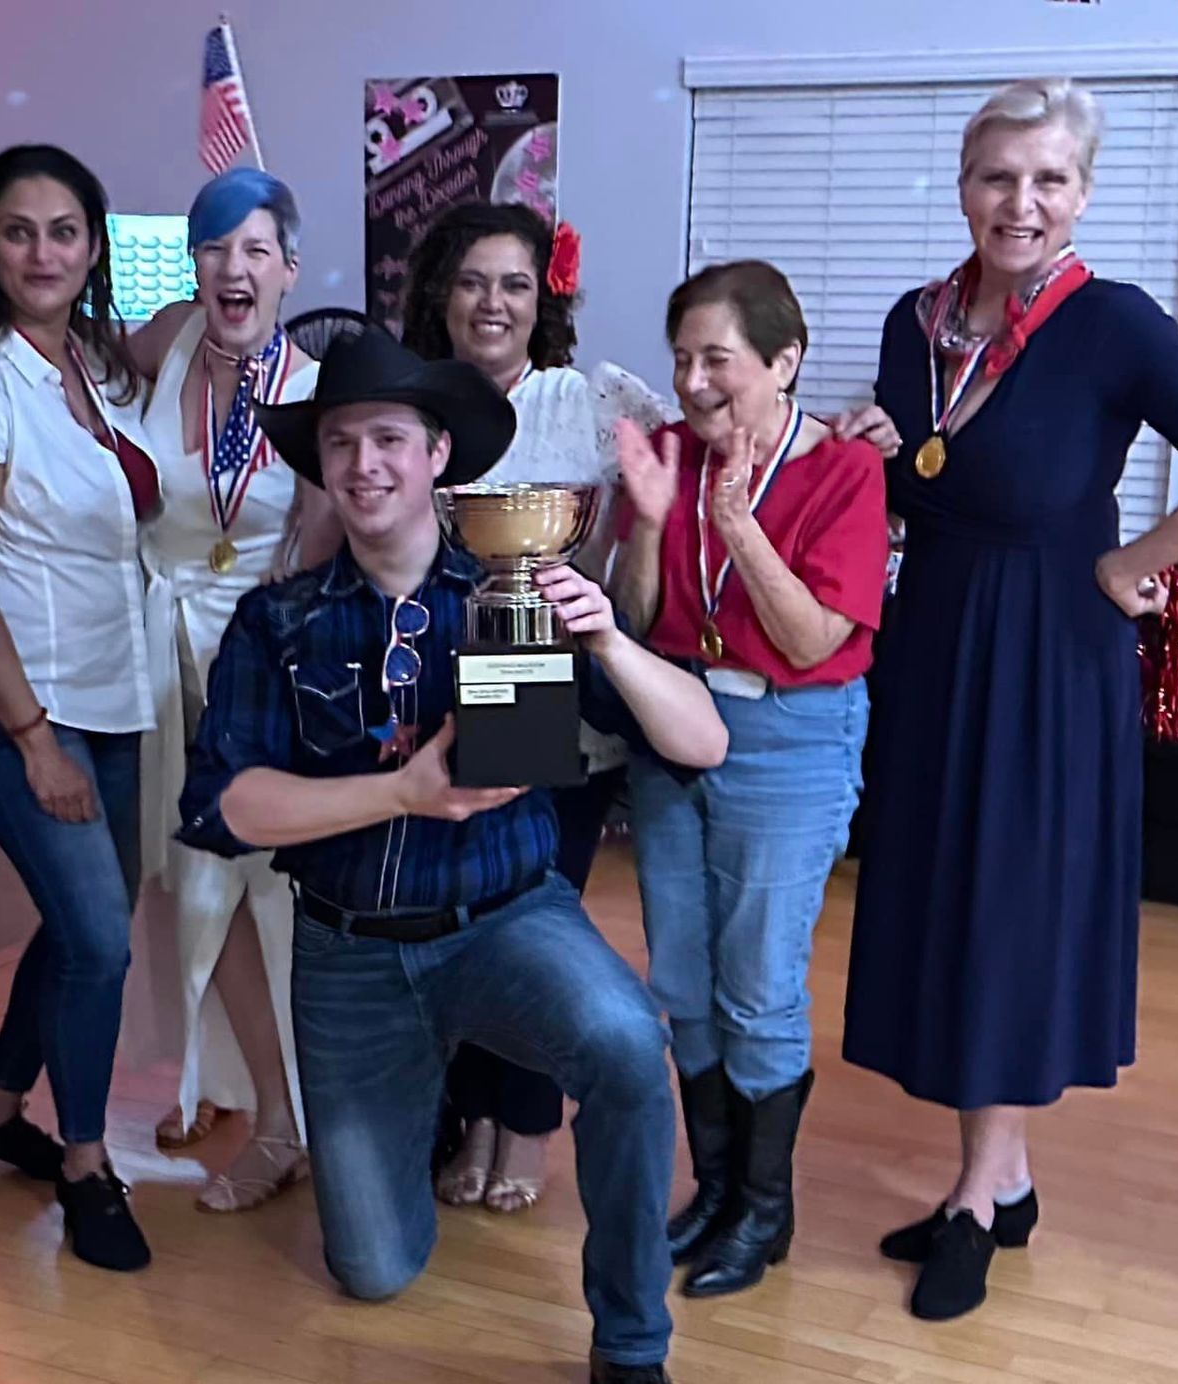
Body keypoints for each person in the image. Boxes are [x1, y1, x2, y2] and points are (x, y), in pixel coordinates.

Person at [177, 327, 730, 1384]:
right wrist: (403, 792)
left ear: (439, 455)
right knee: (373, 1270)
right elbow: (228, 808)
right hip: (349, 960)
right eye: (341, 443)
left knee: (624, 1043)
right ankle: (407, 1107)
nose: (364, 464)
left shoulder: (515, 594)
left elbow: (702, 739)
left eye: (389, 437)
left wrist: (607, 636)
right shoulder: (278, 623)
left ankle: (630, 1343)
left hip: (511, 923)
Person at [834, 79, 1178, 1321]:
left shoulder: (1116, 324)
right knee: (944, 896)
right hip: (932, 642)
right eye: (998, 177)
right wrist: (869, 453)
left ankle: (979, 1198)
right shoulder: (914, 320)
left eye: (1048, 180)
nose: (1019, 203)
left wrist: (1135, 564)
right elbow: (927, 481)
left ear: (1082, 194)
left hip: (1046, 658)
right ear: (964, 183)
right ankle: (1008, 1178)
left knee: (1010, 913)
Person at [0, 145, 159, 1272]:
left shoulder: (96, 371)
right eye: (19, 230)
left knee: (78, 922)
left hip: (114, 693)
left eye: (65, 230)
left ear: (95, 246)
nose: (43, 251)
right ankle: (90, 1160)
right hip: (16, 708)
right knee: (101, 940)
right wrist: (31, 739)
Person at [611, 261, 887, 1297]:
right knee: (681, 980)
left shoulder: (846, 471)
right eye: (680, 357)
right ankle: (719, 1189)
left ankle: (766, 1213)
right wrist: (647, 516)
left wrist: (737, 523)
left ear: (783, 362)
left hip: (791, 734)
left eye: (714, 359)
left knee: (758, 982)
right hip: (674, 717)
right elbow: (636, 619)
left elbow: (815, 634)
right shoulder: (668, 455)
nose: (688, 382)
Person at [397, 200, 673, 1215]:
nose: (492, 303)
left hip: (556, 698)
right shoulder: (412, 398)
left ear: (545, 295)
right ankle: (469, 1115)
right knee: (456, 916)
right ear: (441, 290)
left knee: (537, 920)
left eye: (515, 283)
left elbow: (724, 425)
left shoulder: (594, 401)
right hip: (434, 695)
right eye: (473, 280)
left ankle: (524, 1125)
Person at [121, 168, 323, 1209]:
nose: (232, 269)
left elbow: (322, 549)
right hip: (162, 660)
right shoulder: (158, 347)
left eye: (254, 250)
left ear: (290, 268)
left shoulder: (316, 390)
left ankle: (294, 1118)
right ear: (191, 266)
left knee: (269, 897)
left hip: (266, 674)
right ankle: (229, 1091)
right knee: (193, 894)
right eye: (213, 249)